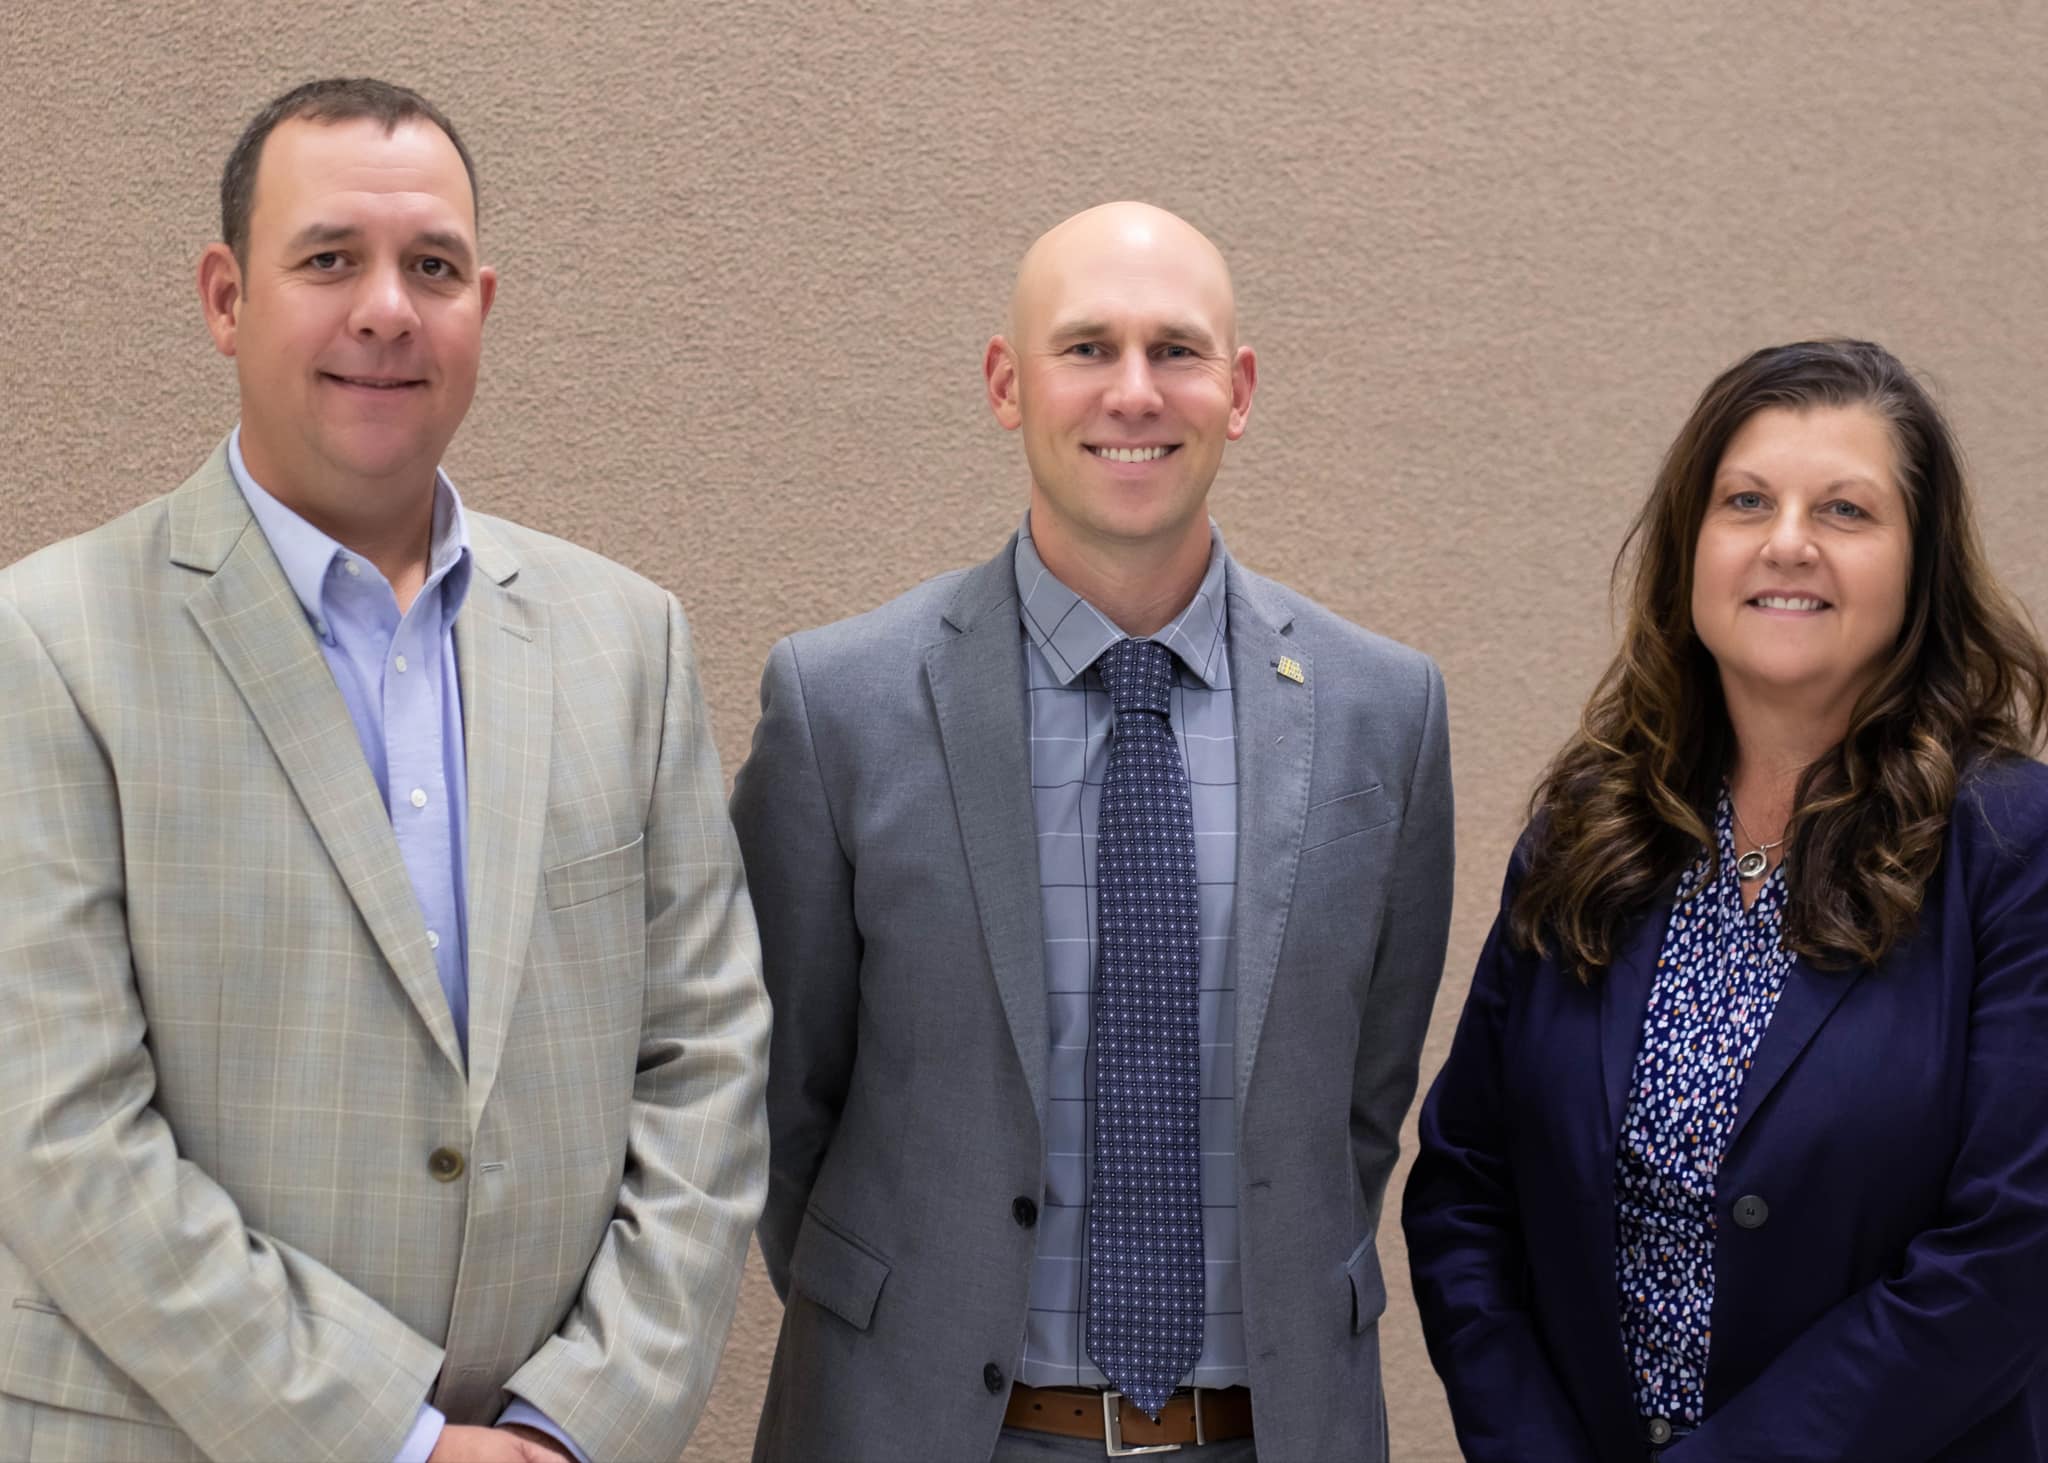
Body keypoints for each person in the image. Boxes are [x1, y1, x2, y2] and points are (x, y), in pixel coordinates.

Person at [0, 79, 769, 1463]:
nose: (386, 309)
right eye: (328, 259)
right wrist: (397, 1439)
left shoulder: (627, 638)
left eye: (431, 267)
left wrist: (573, 1420)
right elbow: (59, 1139)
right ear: (226, 297)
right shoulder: (49, 644)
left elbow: (706, 1059)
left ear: (485, 301)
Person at [730, 200, 1453, 1462]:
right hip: (926, 1429)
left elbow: (1356, 1108)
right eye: (1085, 348)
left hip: (1264, 1431)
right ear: (1007, 384)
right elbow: (784, 1098)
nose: (1133, 392)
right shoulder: (839, 704)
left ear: (1236, 392)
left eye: (1174, 351)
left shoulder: (1380, 710)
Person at [1404, 339, 2048, 1461]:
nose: (1785, 541)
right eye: (1743, 499)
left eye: (1844, 510)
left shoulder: (2009, 844)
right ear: (1689, 549)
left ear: (1919, 565)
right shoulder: (1590, 829)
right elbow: (1465, 1189)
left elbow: (2009, 1247)